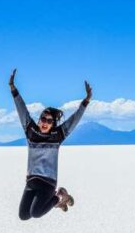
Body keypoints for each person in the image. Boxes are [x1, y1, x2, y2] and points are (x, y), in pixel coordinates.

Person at [10, 68, 92, 220]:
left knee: (36, 213)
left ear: (53, 124)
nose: (45, 123)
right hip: (31, 181)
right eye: (43, 119)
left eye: (49, 121)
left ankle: (59, 197)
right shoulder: (31, 132)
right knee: (23, 216)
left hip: (48, 182)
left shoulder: (57, 136)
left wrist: (85, 102)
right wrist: (14, 90)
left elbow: (74, 120)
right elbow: (22, 111)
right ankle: (58, 201)